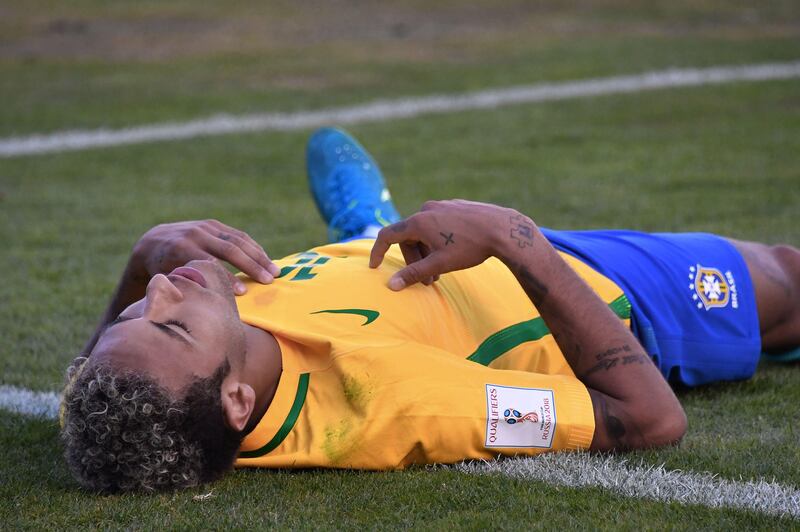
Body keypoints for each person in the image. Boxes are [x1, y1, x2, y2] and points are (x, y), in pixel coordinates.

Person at [60, 128, 800, 492]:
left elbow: (90, 394)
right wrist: (518, 240)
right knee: (788, 280)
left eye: (133, 312)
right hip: (595, 293)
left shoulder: (168, 381)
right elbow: (649, 420)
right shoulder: (399, 404)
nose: (161, 288)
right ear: (237, 398)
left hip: (440, 273)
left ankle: (368, 231)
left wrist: (139, 257)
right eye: (168, 319)